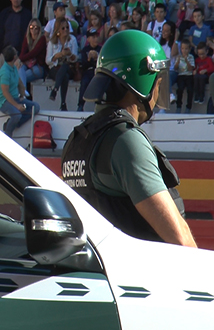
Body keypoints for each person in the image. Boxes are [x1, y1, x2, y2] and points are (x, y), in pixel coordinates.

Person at [61, 29, 196, 247]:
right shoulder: (125, 140)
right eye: (158, 83)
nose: (158, 93)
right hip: (139, 275)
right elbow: (179, 239)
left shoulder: (75, 141)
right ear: (143, 80)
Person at [1, 46, 40, 139]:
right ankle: (7, 137)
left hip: (15, 98)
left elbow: (19, 82)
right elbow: (5, 93)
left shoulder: (13, 68)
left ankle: (14, 124)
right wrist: (17, 106)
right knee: (17, 115)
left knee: (36, 107)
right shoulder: (5, 72)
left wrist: (22, 94)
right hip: (4, 101)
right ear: (14, 57)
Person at [46, 17, 79, 111]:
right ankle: (63, 104)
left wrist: (69, 55)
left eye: (67, 28)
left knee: (65, 66)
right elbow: (47, 61)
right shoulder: (52, 42)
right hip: (55, 68)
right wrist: (58, 55)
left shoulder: (72, 40)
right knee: (64, 77)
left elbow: (76, 58)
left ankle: (55, 90)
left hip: (69, 67)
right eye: (63, 28)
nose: (66, 30)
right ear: (58, 30)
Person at [18, 19, 48, 92]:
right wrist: (21, 59)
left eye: (36, 28)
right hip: (27, 64)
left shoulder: (42, 39)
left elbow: (33, 53)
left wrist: (20, 59)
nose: (34, 29)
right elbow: (23, 52)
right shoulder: (27, 38)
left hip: (38, 67)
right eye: (32, 27)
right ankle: (23, 93)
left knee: (19, 77)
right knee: (20, 69)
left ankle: (22, 93)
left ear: (39, 29)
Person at [76, 28, 101, 112]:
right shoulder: (85, 50)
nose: (95, 39)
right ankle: (80, 105)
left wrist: (97, 58)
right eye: (93, 37)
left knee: (99, 82)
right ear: (88, 39)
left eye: (96, 37)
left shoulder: (101, 49)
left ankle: (98, 105)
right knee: (84, 81)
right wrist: (89, 59)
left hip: (98, 72)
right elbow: (83, 65)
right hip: (88, 71)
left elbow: (103, 65)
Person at [175, 39, 195, 113]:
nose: (184, 50)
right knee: (180, 89)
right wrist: (177, 61)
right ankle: (178, 106)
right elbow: (175, 68)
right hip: (181, 76)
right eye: (182, 48)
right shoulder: (178, 57)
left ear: (189, 49)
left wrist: (186, 60)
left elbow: (190, 69)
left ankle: (188, 107)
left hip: (189, 75)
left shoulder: (191, 57)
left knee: (190, 90)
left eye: (186, 49)